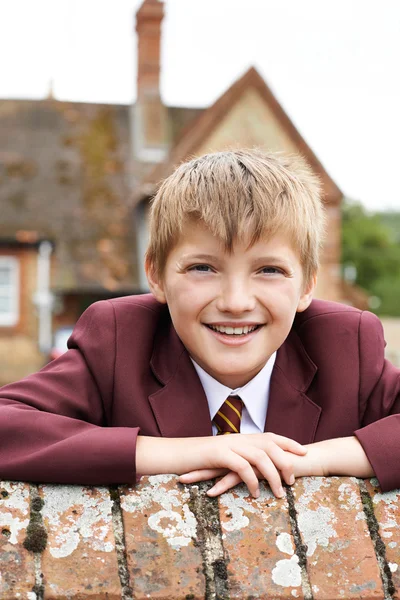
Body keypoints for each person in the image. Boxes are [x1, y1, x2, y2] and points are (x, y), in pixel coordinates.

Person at [0, 149, 399, 500]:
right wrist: (186, 452)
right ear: (156, 275)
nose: (236, 302)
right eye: (203, 268)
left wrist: (313, 458)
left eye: (269, 270)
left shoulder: (345, 343)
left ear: (307, 285)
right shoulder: (120, 338)